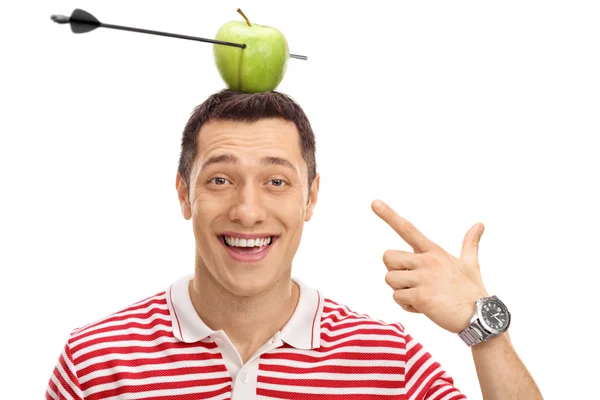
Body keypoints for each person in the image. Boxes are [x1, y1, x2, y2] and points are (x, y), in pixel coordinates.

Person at [46, 90, 543, 400]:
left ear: (311, 197)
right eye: (220, 180)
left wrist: (486, 328)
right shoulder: (95, 361)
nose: (248, 210)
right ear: (184, 194)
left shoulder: (388, 361)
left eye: (276, 182)